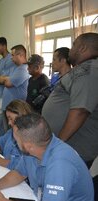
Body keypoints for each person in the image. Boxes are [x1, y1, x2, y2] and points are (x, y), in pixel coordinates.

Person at [0, 113, 94, 201]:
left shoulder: (60, 164)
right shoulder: (37, 148)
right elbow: (19, 172)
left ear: (28, 145)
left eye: (16, 139)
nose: (14, 141)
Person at [42, 32, 98, 168]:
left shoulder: (88, 71)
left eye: (74, 45)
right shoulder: (84, 69)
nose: (70, 50)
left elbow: (80, 111)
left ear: (83, 48)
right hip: (67, 148)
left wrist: (58, 144)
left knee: (64, 187)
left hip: (73, 149)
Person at [0, 100, 33, 169]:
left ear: (21, 118)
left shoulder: (31, 139)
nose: (9, 123)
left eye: (11, 119)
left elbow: (17, 165)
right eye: (8, 119)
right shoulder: (11, 132)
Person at [0, 44, 30, 132]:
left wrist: (5, 79)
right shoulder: (17, 68)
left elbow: (8, 83)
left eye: (13, 55)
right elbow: (0, 78)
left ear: (21, 55)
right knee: (7, 132)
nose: (11, 58)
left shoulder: (23, 69)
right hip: (8, 107)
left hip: (15, 110)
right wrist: (5, 78)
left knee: (13, 133)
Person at [0, 37, 16, 136]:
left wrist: (1, 79)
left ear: (4, 46)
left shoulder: (11, 60)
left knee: (4, 124)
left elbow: (7, 80)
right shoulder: (1, 61)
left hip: (7, 96)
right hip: (0, 96)